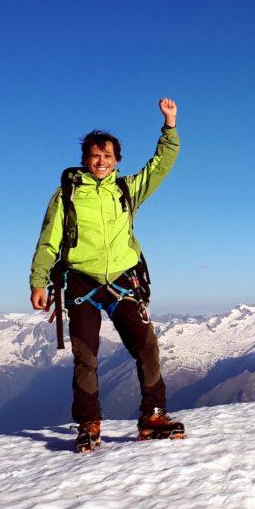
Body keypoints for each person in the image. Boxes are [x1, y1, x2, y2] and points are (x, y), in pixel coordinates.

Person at [29, 98, 183, 452]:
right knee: (86, 356)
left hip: (123, 280)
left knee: (147, 347)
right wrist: (38, 280)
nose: (102, 162)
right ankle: (88, 423)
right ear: (85, 159)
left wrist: (170, 125)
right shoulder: (67, 196)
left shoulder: (127, 190)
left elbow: (161, 165)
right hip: (81, 281)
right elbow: (48, 239)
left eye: (108, 156)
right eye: (96, 156)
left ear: (117, 160)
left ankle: (153, 416)